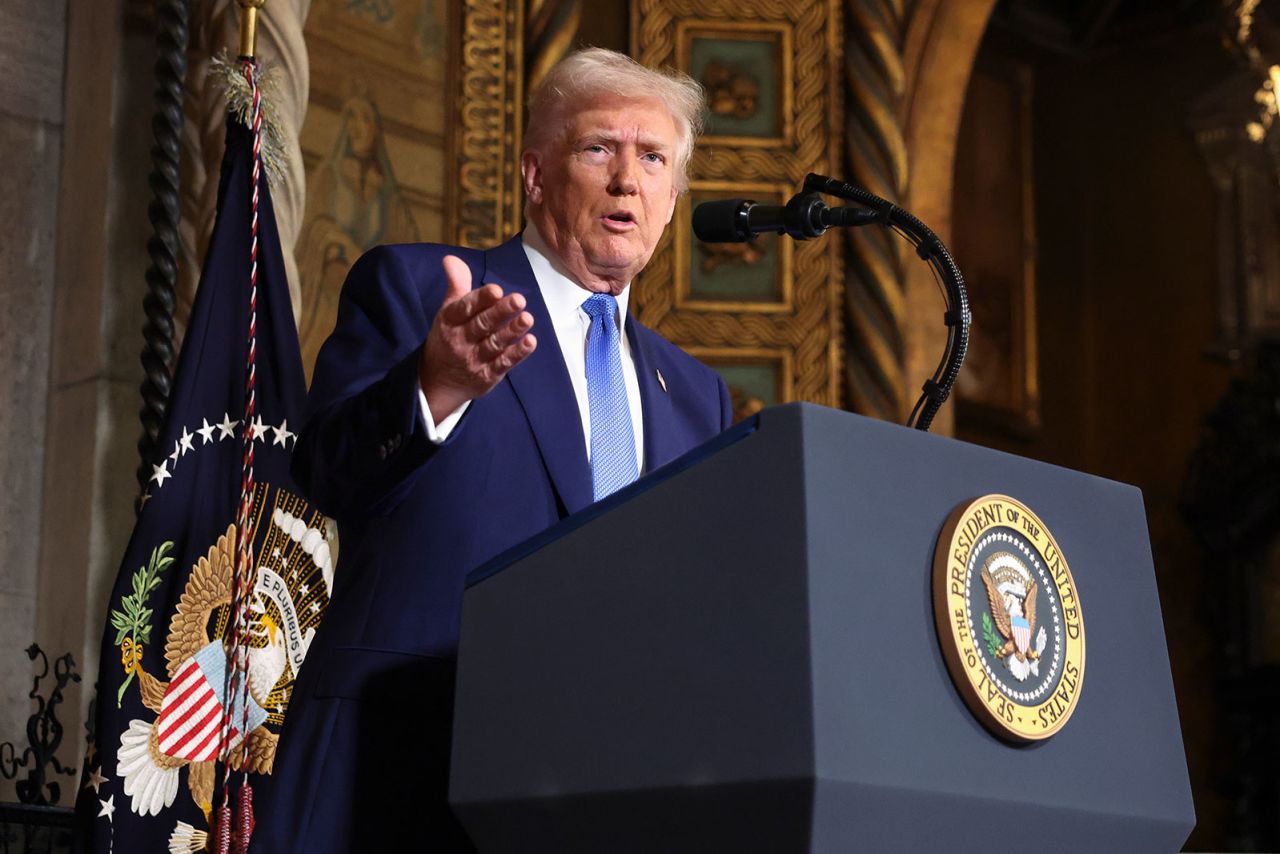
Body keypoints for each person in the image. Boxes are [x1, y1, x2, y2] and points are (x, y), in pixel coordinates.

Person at [251, 48, 732, 852]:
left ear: (674, 196)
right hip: (401, 778)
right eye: (598, 149)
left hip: (603, 795)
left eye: (653, 158)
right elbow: (324, 474)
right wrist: (433, 388)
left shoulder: (694, 394)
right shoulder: (421, 290)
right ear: (535, 174)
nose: (627, 180)